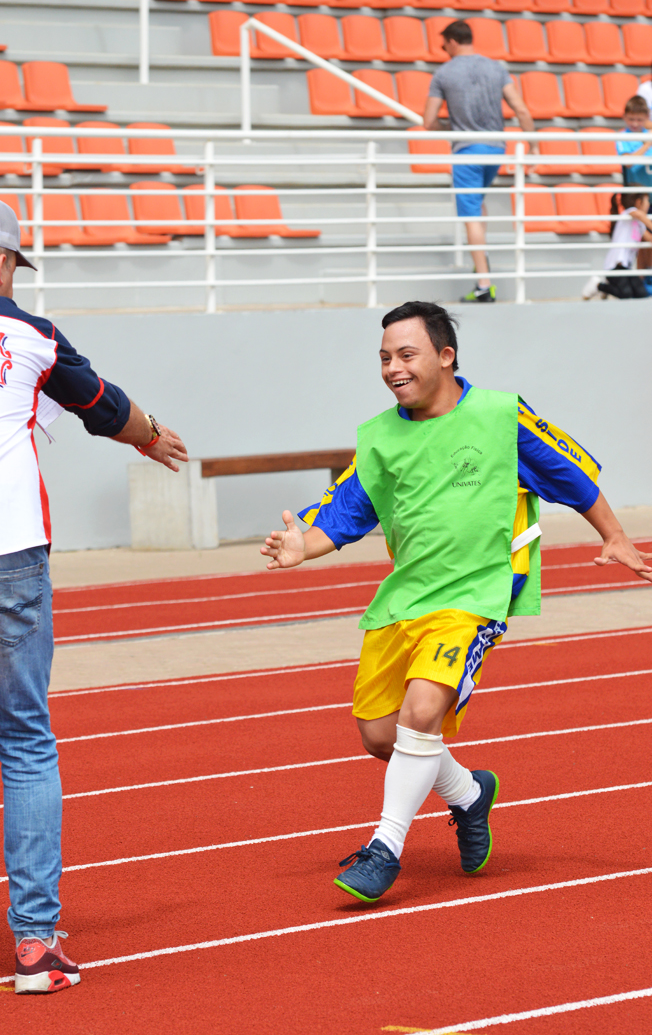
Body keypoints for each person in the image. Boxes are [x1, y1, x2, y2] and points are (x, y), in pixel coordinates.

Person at [261, 300, 652, 904]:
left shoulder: (499, 414)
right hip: (404, 599)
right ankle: (470, 794)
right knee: (379, 735)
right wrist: (301, 546)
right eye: (385, 357)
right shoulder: (379, 436)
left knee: (422, 713)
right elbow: (344, 513)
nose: (394, 367)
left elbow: (569, 473)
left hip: (475, 595)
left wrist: (614, 533)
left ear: (445, 357)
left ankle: (384, 849)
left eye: (407, 354)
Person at [0, 193, 188, 992]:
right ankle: (34, 947)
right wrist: (153, 433)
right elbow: (103, 406)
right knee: (23, 742)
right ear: (0, 264)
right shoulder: (29, 333)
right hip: (5, 552)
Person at [422, 19, 535, 304]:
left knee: (470, 212)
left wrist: (450, 129)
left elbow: (427, 121)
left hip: (467, 150)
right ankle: (480, 261)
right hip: (495, 149)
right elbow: (521, 109)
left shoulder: (444, 73)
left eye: (443, 44)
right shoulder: (496, 67)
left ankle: (484, 283)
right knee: (479, 203)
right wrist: (532, 146)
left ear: (451, 41)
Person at [596, 186, 652, 299]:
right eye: (647, 201)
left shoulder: (640, 225)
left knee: (641, 293)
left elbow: (650, 238)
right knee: (626, 294)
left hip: (627, 268)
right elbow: (639, 215)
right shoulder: (629, 213)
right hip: (614, 267)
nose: (648, 204)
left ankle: (610, 288)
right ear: (638, 202)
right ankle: (599, 286)